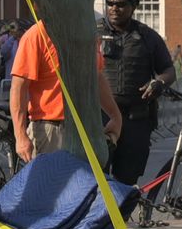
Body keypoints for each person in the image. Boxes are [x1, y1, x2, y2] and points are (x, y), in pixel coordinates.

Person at [95, 0, 175, 184]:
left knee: (126, 182)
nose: (114, 8)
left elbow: (168, 70)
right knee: (96, 179)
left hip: (135, 121)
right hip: (101, 118)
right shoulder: (92, 33)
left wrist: (159, 83)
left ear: (134, 5)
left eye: (121, 4)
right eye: (110, 3)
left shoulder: (148, 37)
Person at [9, 20, 123, 163]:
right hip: (51, 132)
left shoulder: (86, 32)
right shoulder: (37, 34)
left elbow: (95, 76)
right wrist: (20, 136)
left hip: (86, 129)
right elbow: (18, 87)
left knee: (86, 178)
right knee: (52, 178)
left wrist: (115, 115)